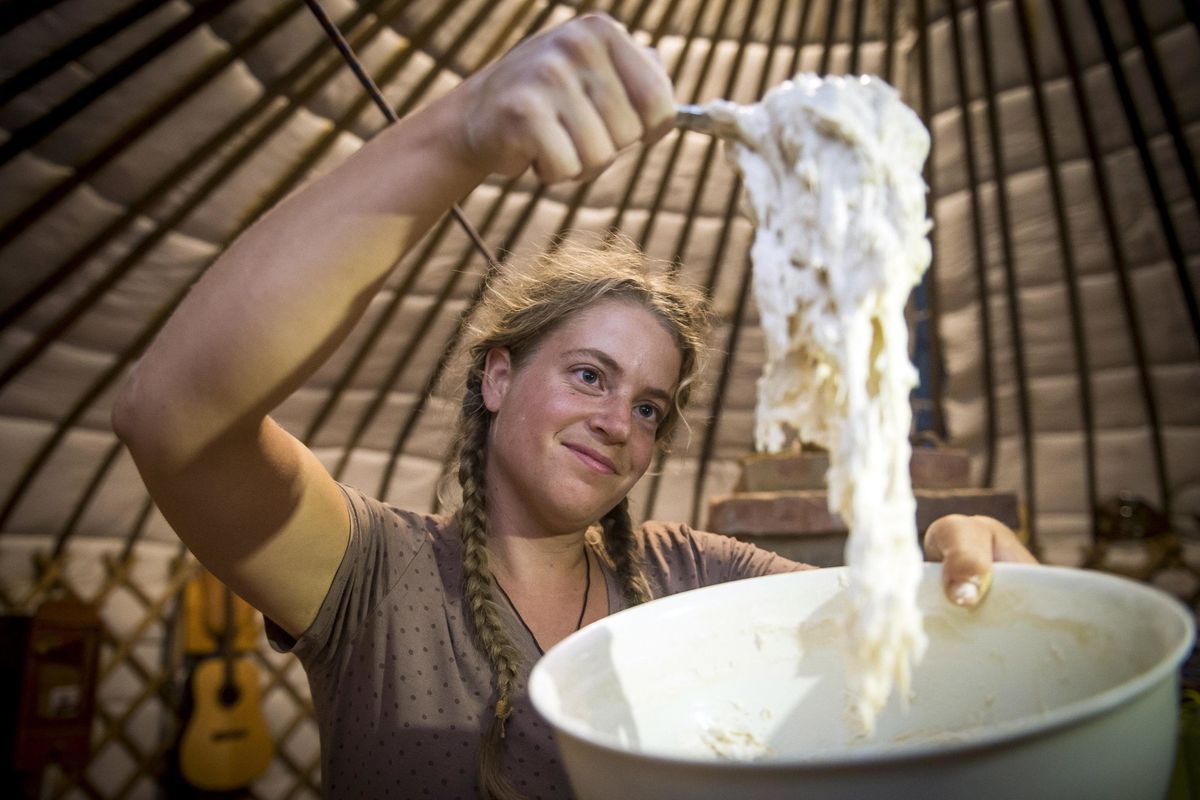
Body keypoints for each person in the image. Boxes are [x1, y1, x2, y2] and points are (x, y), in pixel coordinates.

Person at [111, 12, 1036, 800]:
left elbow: (905, 647)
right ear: (498, 378)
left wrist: (970, 569)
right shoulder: (375, 575)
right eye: (591, 376)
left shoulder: (694, 578)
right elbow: (170, 416)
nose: (619, 423)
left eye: (650, 408)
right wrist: (463, 131)